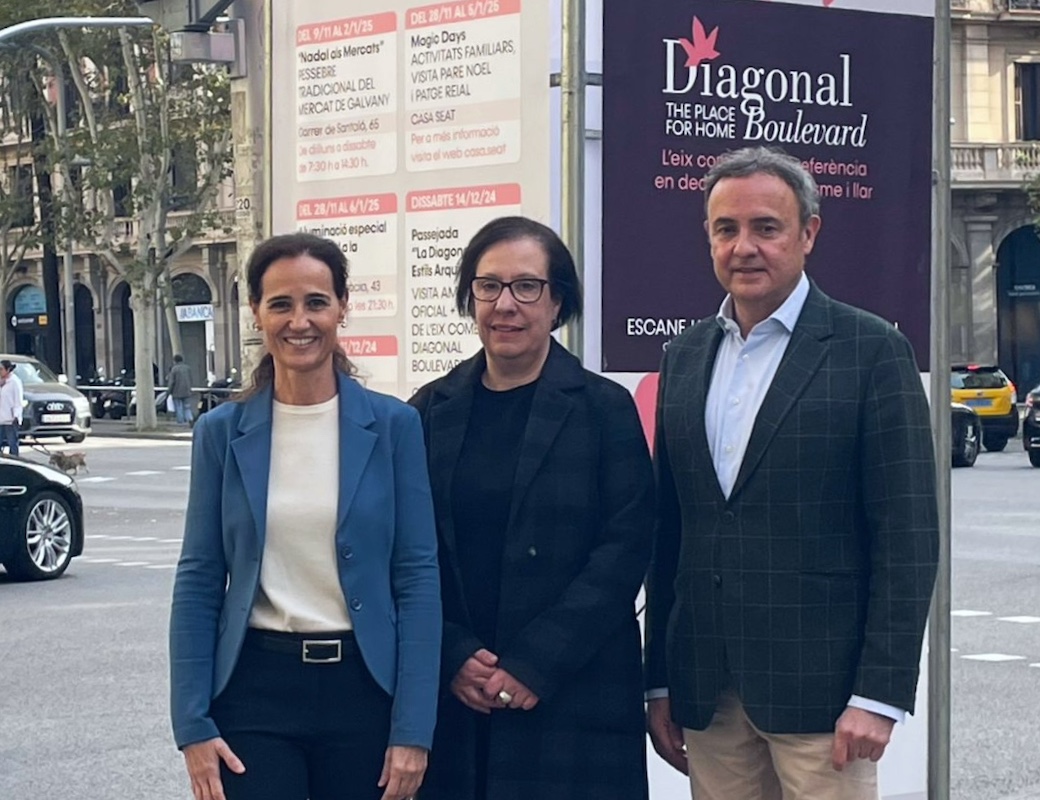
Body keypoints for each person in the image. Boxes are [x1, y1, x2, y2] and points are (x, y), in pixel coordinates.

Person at [644, 147, 939, 800]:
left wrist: (880, 694)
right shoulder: (685, 356)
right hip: (710, 691)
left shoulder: (872, 351)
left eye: (766, 227)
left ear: (808, 232)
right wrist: (659, 679)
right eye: (726, 229)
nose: (744, 247)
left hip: (826, 698)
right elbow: (673, 532)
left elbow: (908, 537)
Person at [169, 232, 442, 800]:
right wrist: (191, 725)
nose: (300, 320)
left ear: (343, 307)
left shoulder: (394, 428)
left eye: (317, 301)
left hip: (366, 691)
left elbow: (416, 578)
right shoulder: (221, 434)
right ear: (256, 313)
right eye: (281, 303)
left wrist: (414, 729)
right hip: (254, 693)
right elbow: (199, 579)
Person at [408, 216, 654, 800]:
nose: (505, 305)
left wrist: (535, 662)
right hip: (459, 698)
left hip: (574, 691)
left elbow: (626, 548)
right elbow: (404, 549)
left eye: (526, 287)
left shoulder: (604, 410)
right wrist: (454, 654)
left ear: (557, 301)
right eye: (488, 286)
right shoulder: (427, 410)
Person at [0, 359, 23, 456]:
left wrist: (16, 416)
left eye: (1, 369)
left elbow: (18, 401)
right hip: (1, 418)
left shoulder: (15, 382)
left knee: (12, 443)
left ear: (8, 369)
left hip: (10, 419)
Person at [167, 353, 196, 426]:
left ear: (175, 361)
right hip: (187, 391)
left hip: (177, 392)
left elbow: (172, 382)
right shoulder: (187, 368)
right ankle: (190, 419)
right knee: (187, 407)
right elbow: (190, 379)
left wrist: (169, 391)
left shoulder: (174, 369)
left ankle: (181, 422)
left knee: (178, 407)